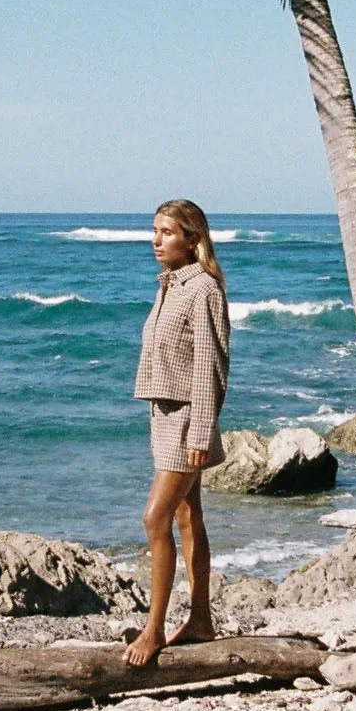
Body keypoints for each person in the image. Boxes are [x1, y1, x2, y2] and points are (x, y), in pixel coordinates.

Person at [125, 198, 229, 667]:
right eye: (154, 231)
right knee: (187, 517)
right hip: (165, 416)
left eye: (166, 232)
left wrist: (201, 433)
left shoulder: (202, 288)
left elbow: (211, 367)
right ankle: (202, 619)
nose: (156, 240)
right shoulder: (170, 286)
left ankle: (154, 630)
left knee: (155, 519)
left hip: (189, 419)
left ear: (192, 239)